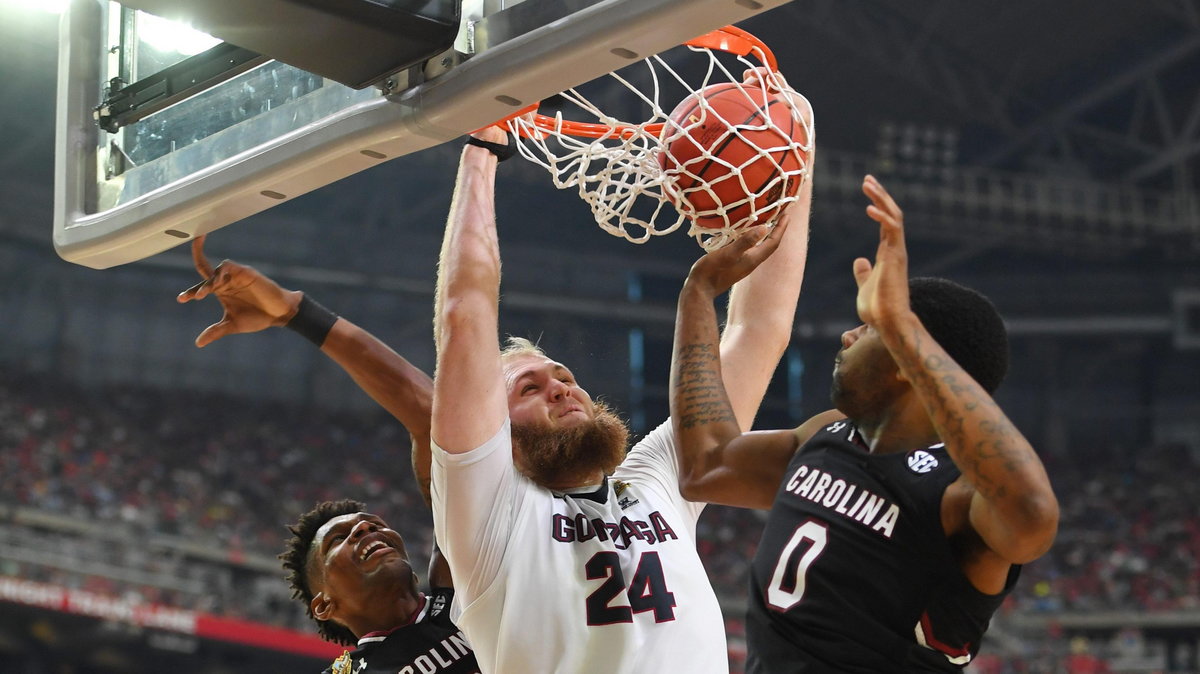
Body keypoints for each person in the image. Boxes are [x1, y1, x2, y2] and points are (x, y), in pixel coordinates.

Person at [428, 85, 814, 673]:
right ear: (492, 429)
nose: (561, 387)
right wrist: (482, 148)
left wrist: (794, 155)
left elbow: (757, 330)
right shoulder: (490, 511)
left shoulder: (656, 479)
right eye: (528, 389)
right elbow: (465, 315)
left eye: (562, 376)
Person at [669, 174, 1059, 672]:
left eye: (870, 326)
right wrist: (698, 295)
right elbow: (705, 466)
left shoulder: (960, 492)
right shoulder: (825, 434)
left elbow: (1032, 513)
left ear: (907, 357)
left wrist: (902, 326)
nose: (850, 336)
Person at [178, 237, 479, 673]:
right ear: (324, 604)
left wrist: (297, 313)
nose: (366, 528)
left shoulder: (466, 590)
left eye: (372, 524)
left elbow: (436, 423)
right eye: (339, 539)